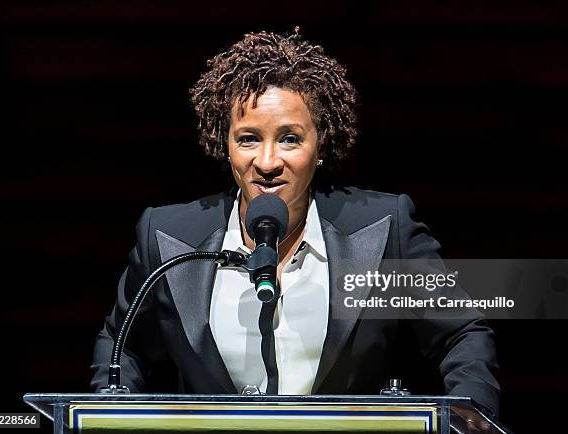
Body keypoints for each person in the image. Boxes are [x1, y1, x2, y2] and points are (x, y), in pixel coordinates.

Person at [91, 27, 500, 421]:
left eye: (290, 138)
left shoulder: (384, 227)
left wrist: (470, 415)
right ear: (224, 145)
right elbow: (122, 347)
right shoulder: (169, 237)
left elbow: (461, 332)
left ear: (320, 144)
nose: (267, 163)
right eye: (248, 138)